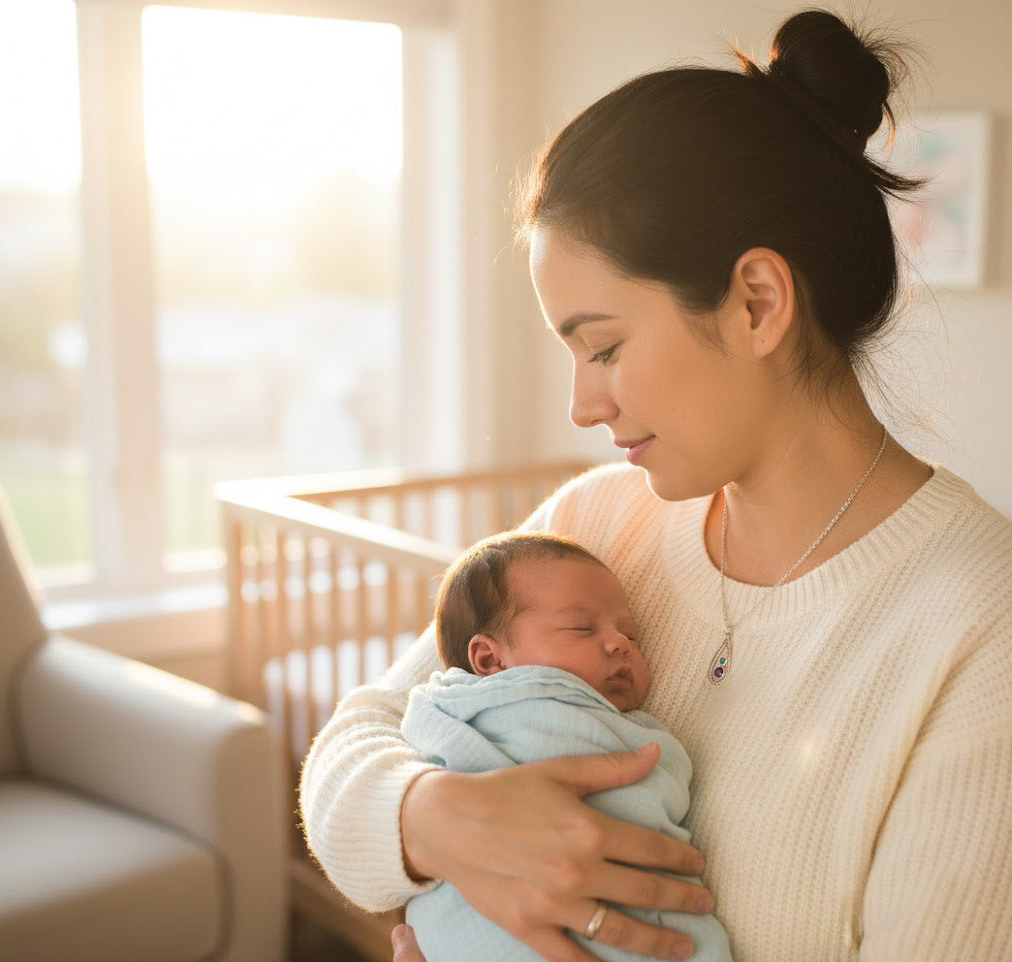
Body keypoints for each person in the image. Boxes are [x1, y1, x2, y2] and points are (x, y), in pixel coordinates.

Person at [300, 9, 1012, 962]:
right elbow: (358, 743)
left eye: (604, 347)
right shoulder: (596, 529)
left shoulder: (981, 631)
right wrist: (434, 817)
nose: (581, 407)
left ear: (758, 302)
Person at [401, 532, 733, 961]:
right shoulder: (452, 711)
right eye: (582, 628)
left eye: (633, 637)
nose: (620, 644)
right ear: (489, 661)